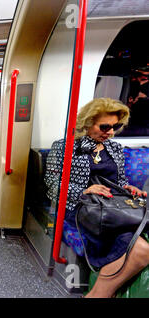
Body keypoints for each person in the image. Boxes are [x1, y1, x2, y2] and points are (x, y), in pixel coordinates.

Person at [44, 98, 149, 298]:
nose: (110, 132)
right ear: (87, 122)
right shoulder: (65, 147)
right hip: (80, 209)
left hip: (111, 208)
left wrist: (128, 188)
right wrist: (84, 190)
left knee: (140, 240)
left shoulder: (115, 148)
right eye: (104, 126)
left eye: (115, 127)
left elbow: (118, 181)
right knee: (140, 247)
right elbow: (52, 184)